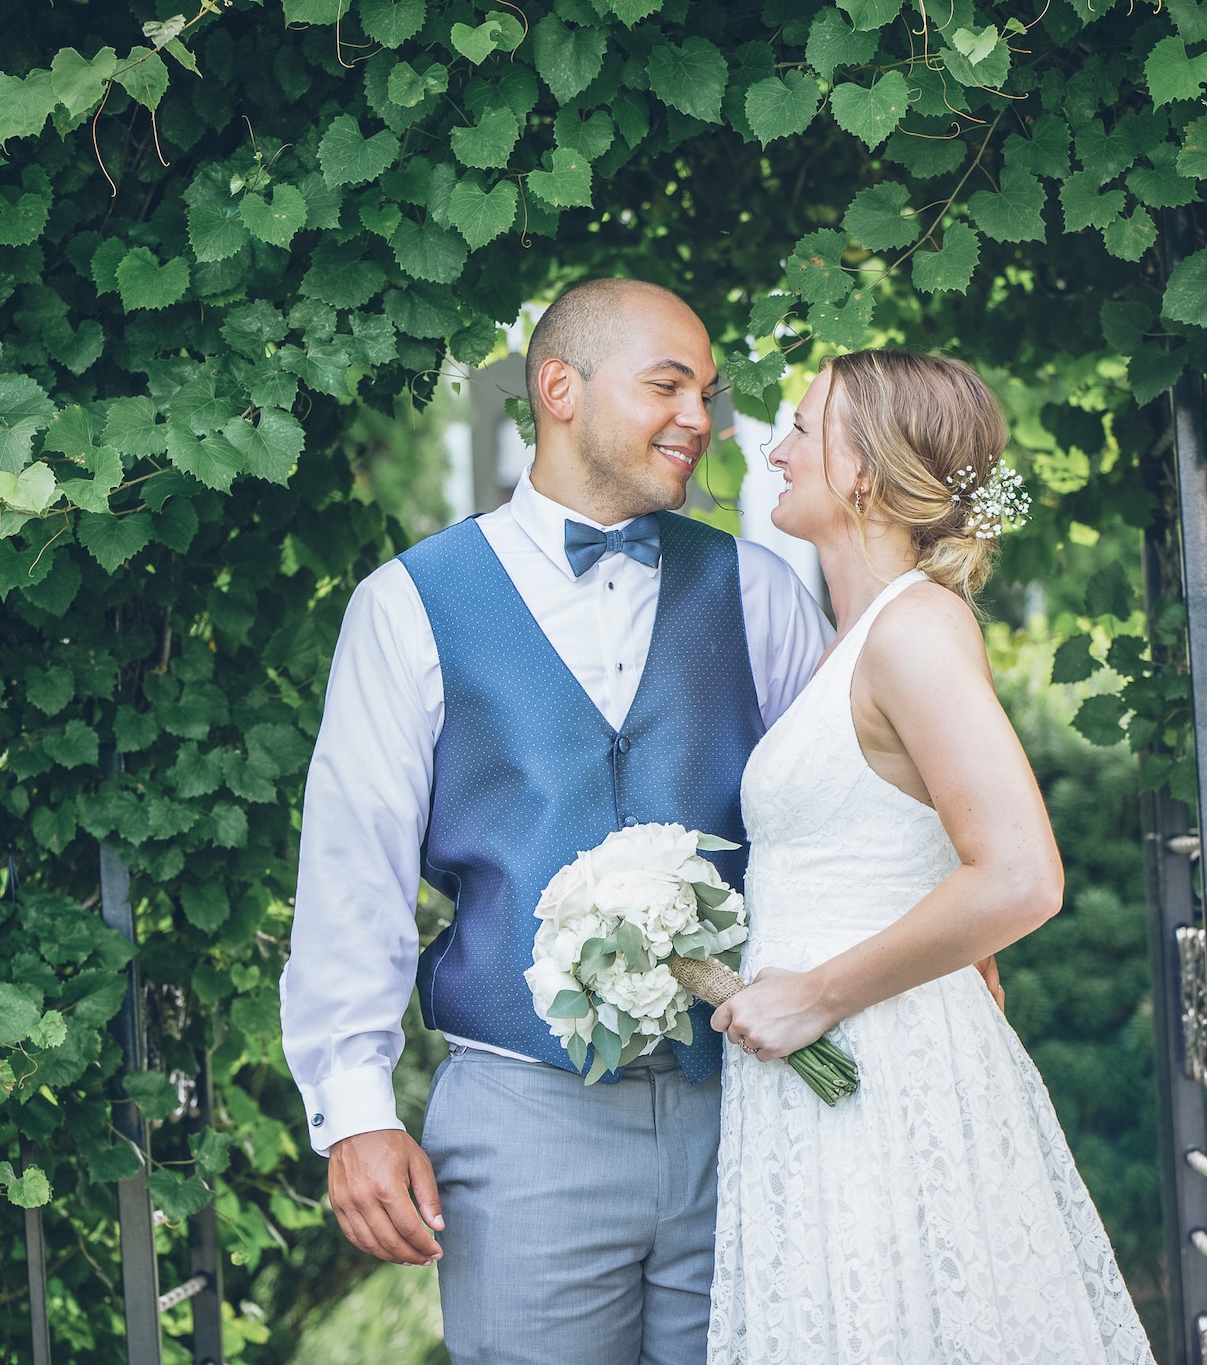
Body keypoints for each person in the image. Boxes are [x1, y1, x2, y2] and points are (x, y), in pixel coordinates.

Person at [278, 278, 833, 1365]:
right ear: (558, 388)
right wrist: (355, 1112)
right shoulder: (406, 605)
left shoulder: (758, 591)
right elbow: (356, 873)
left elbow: (834, 822)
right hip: (522, 1119)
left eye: (707, 395)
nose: (697, 420)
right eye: (666, 386)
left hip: (747, 1110)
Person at [706, 350, 1158, 1365]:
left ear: (862, 470)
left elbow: (1019, 876)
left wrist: (813, 996)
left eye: (801, 427)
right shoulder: (860, 633)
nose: (775, 452)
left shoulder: (913, 629)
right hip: (835, 1069)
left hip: (871, 1065)